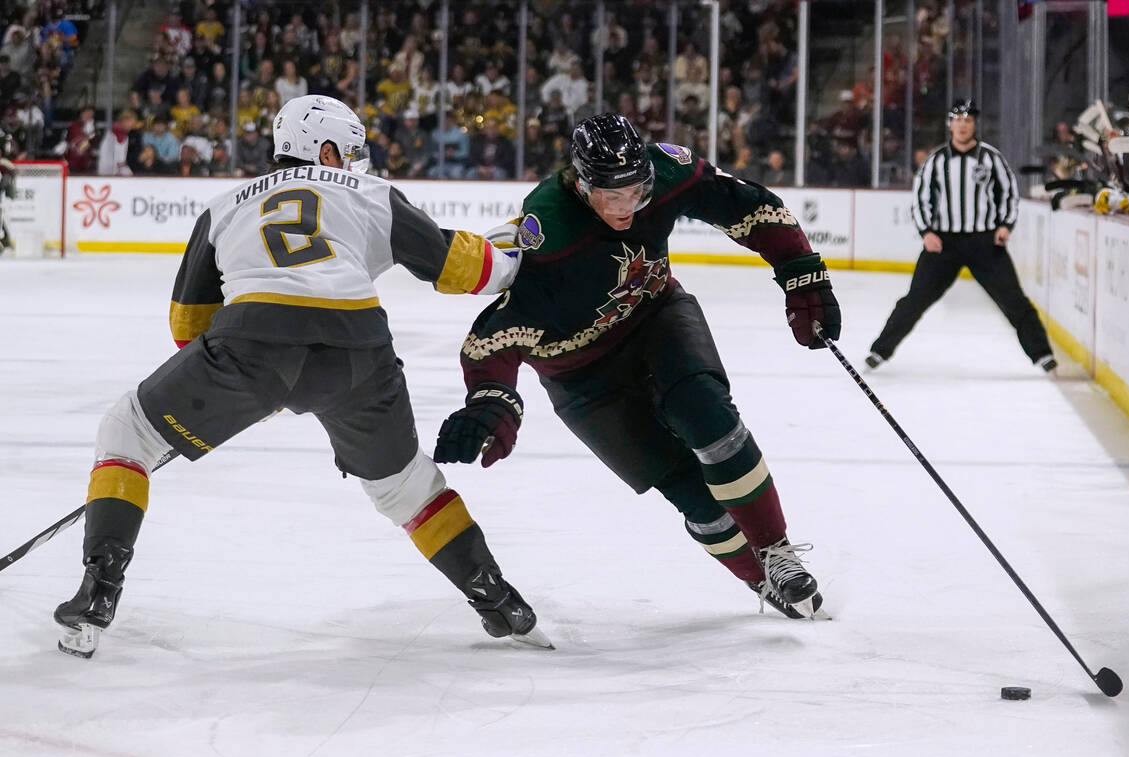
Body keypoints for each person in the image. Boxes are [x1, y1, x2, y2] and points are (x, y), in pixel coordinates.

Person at [53, 95, 549, 660]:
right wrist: (512, 255)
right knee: (405, 487)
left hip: (250, 343)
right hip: (360, 350)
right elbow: (460, 267)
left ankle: (98, 591)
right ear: (328, 150)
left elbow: (188, 326)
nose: (357, 161)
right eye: (353, 150)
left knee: (128, 433)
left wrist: (243, 393)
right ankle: (499, 601)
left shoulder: (221, 208)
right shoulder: (370, 193)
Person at [433, 113, 841, 619]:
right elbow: (491, 339)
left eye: (637, 192)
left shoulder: (666, 171)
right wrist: (492, 403)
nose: (628, 207)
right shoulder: (550, 239)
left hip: (656, 319)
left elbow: (747, 206)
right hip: (582, 382)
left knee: (707, 415)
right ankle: (758, 579)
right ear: (582, 186)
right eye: (612, 196)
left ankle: (776, 551)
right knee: (690, 493)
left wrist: (801, 271)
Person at [865, 99, 1055, 372]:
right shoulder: (935, 161)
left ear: (974, 125)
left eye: (968, 121)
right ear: (950, 124)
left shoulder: (991, 158)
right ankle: (880, 351)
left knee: (1014, 300)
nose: (963, 126)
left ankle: (1043, 355)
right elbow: (920, 199)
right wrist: (926, 232)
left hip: (985, 242)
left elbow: (1009, 194)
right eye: (958, 120)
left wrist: (1005, 226)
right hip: (944, 243)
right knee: (915, 300)